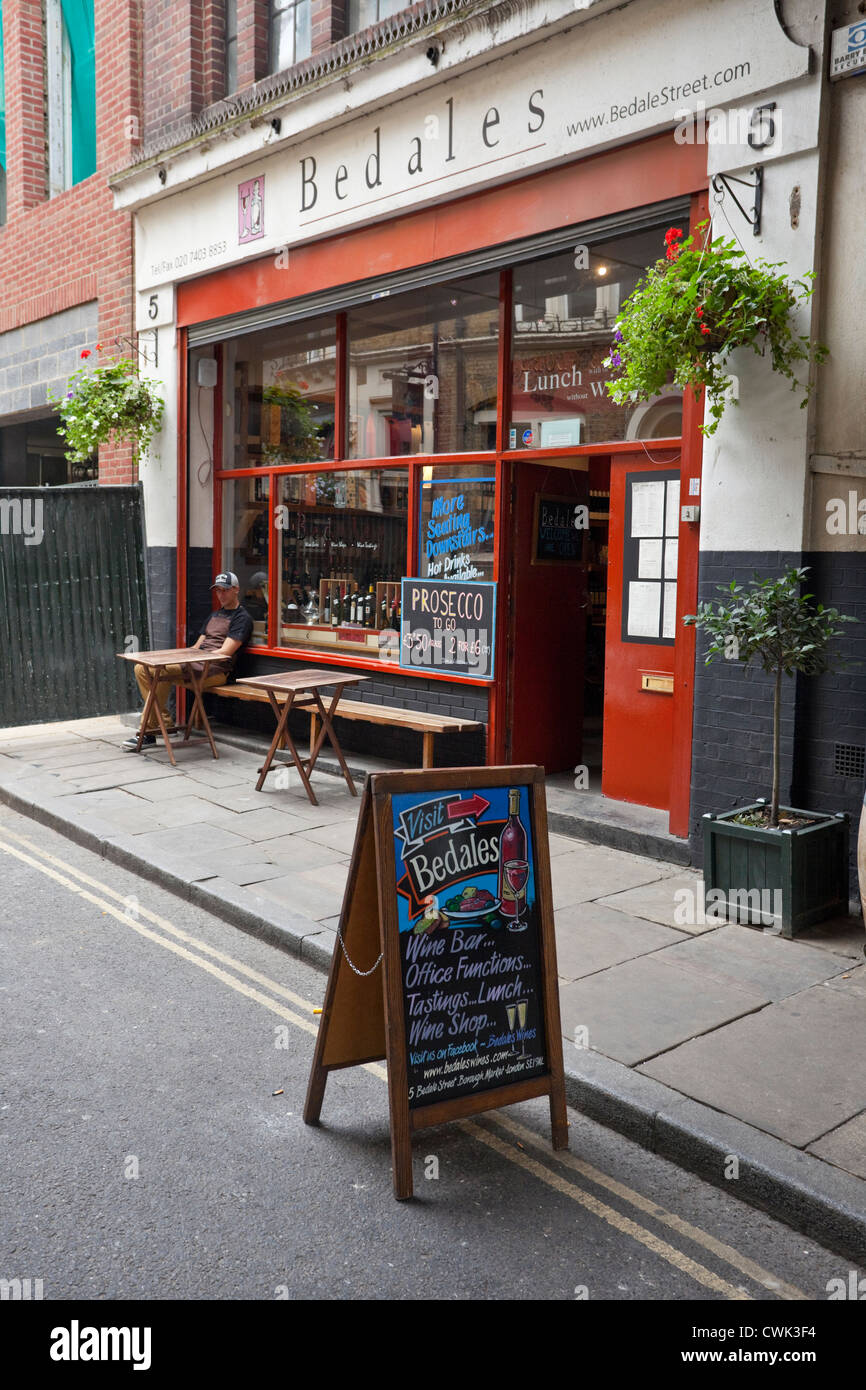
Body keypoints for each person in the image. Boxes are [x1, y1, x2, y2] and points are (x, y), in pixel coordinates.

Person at [123, 573, 254, 749]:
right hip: (196, 664)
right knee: (141, 668)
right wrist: (178, 656)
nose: (221, 594)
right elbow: (196, 647)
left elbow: (226, 652)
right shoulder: (215, 615)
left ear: (236, 590)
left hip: (216, 671)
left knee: (159, 671)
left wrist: (195, 657)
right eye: (218, 591)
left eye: (225, 590)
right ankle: (164, 723)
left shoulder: (242, 618)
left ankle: (148, 733)